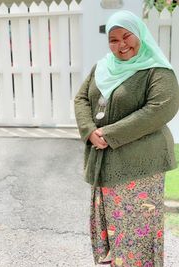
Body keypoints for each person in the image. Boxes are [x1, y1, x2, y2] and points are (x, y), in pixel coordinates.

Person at [74, 10, 179, 267]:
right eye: (113, 39)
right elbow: (81, 99)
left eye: (127, 36)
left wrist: (109, 134)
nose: (121, 44)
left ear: (139, 34)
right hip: (106, 164)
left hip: (141, 166)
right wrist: (89, 131)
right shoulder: (101, 67)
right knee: (113, 226)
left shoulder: (157, 70)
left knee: (137, 230)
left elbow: (160, 109)